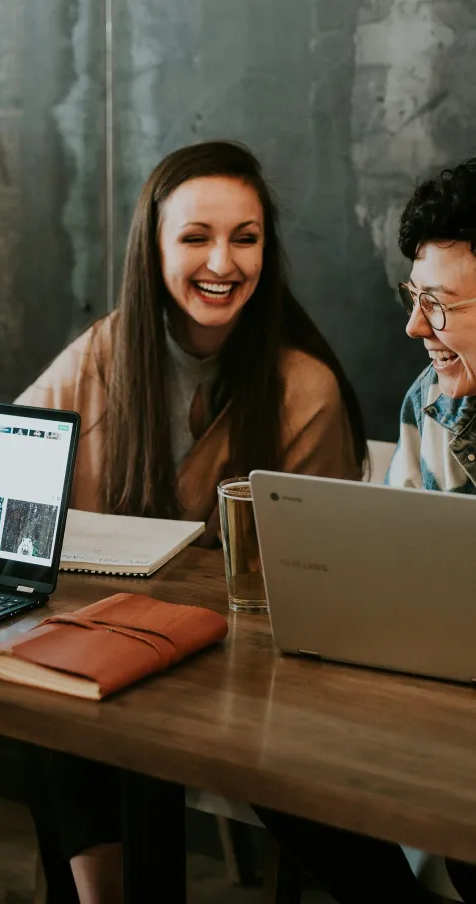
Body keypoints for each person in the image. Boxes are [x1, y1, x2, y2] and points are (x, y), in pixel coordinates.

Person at [17, 140, 366, 904]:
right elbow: (13, 463)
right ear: (154, 248)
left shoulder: (303, 388)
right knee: (49, 693)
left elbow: (320, 581)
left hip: (246, 676)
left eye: (246, 238)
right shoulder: (108, 350)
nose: (224, 262)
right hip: (114, 649)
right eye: (196, 237)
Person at [257, 157, 476, 903]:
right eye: (414, 298)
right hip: (431, 702)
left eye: (439, 305)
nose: (415, 326)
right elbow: (391, 569)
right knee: (277, 770)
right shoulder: (432, 401)